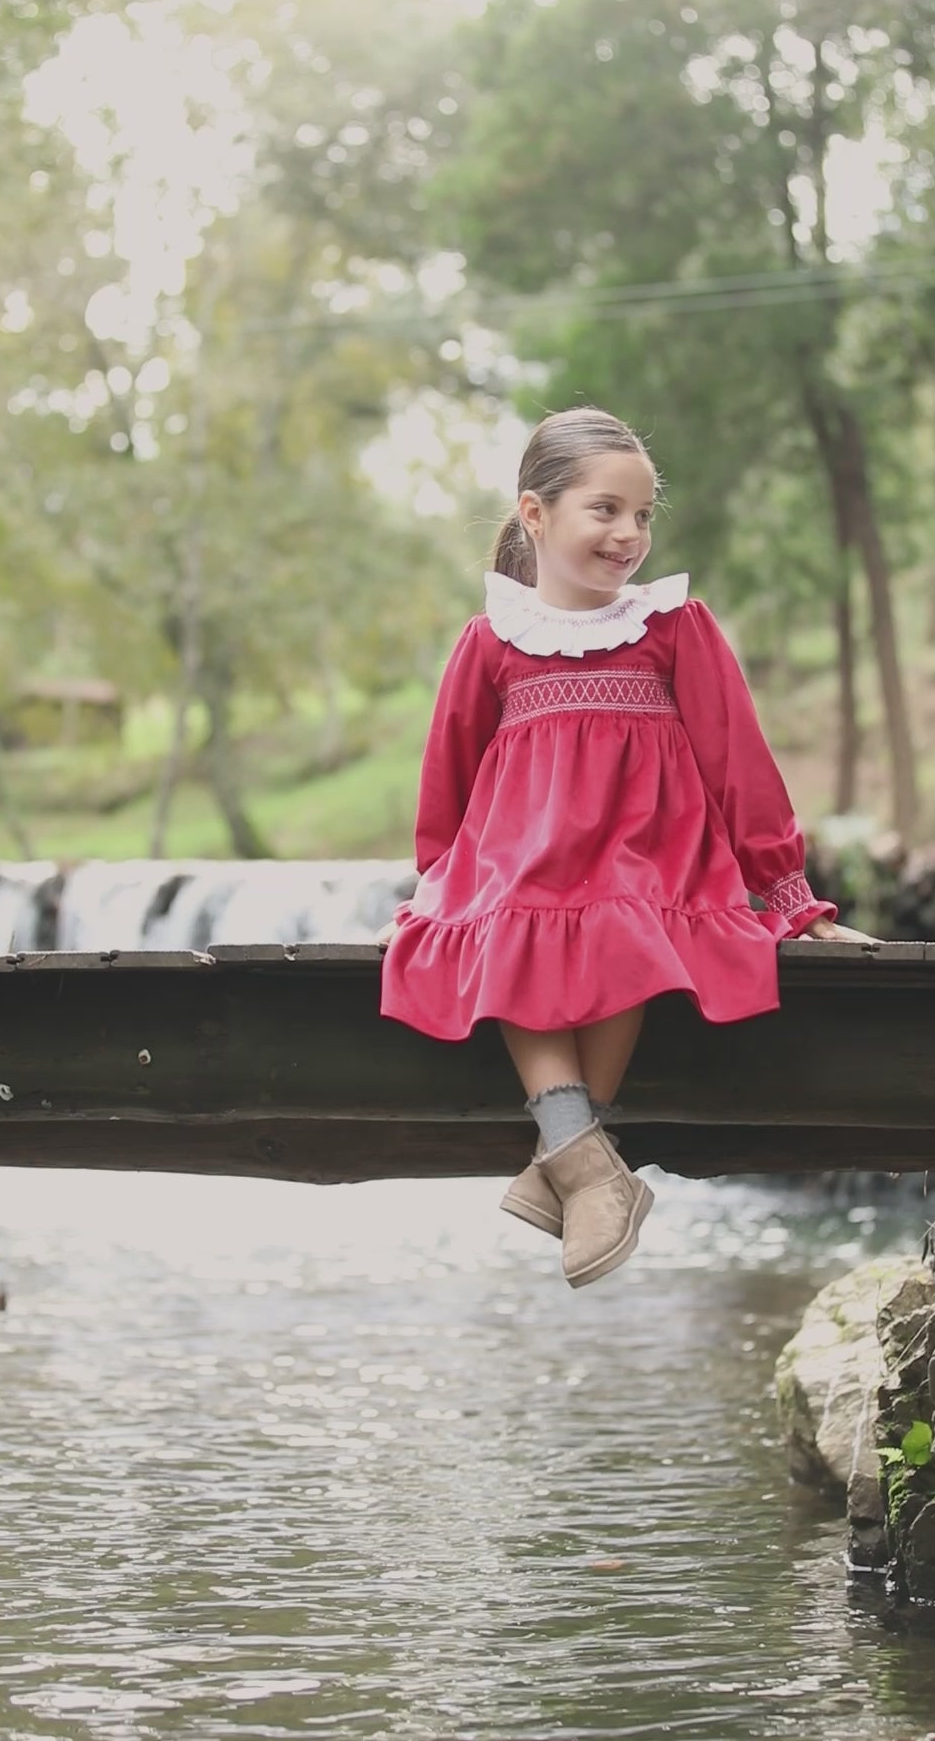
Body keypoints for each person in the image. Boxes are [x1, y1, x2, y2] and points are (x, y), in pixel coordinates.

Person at [377, 406, 867, 1291]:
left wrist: (790, 896)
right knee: (510, 922)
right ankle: (587, 1159)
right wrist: (433, 897)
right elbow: (446, 781)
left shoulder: (673, 626)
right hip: (516, 867)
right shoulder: (492, 640)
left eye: (642, 514)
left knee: (622, 923)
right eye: (605, 510)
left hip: (646, 858)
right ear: (536, 514)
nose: (629, 533)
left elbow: (738, 762)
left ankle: (566, 1153)